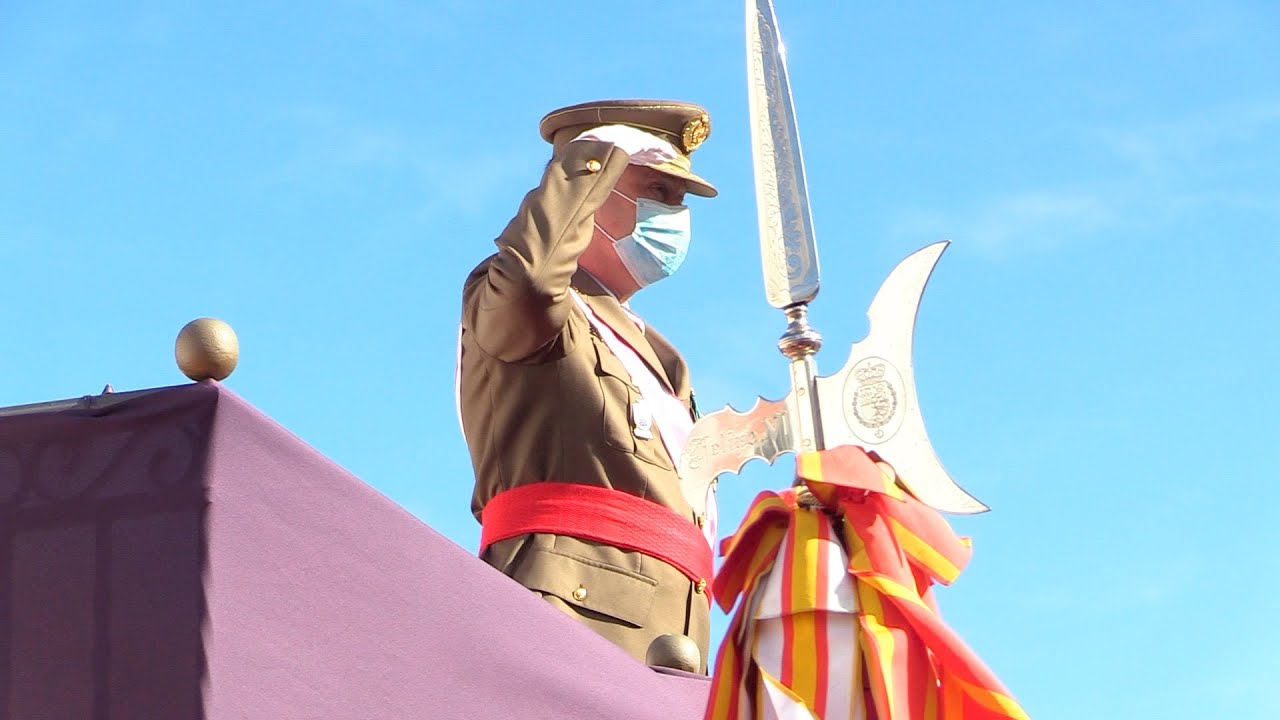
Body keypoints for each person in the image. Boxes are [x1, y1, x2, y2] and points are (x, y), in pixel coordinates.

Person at [457, 99, 717, 670]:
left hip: (674, 642)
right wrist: (589, 161)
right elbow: (529, 281)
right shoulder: (536, 312)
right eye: (660, 192)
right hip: (570, 621)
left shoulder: (661, 359)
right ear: (595, 198)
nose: (676, 214)